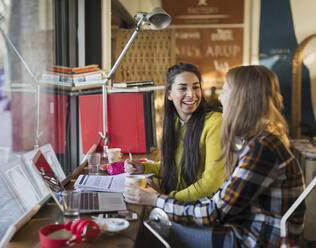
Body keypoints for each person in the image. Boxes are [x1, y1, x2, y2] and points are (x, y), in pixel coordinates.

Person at [124, 65, 306, 247]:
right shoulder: (257, 141)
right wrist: (162, 197)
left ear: (241, 99)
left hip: (254, 240)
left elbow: (213, 213)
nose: (219, 98)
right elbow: (220, 198)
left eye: (225, 91)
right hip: (243, 227)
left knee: (153, 231)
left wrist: (156, 199)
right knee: (158, 224)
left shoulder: (263, 148)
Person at [125, 62, 225, 202]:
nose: (191, 94)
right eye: (183, 88)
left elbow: (211, 183)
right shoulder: (177, 122)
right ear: (170, 94)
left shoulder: (215, 122)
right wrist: (144, 168)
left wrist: (164, 199)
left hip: (201, 209)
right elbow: (175, 168)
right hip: (178, 204)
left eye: (196, 87)